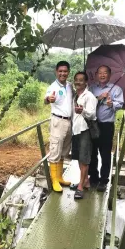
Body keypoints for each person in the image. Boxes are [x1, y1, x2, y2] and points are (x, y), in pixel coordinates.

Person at [89, 65, 124, 192]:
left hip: (106, 125)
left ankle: (104, 180)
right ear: (97, 74)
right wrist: (99, 98)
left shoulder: (116, 89)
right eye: (100, 73)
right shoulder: (92, 88)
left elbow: (120, 104)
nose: (102, 75)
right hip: (92, 124)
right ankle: (93, 177)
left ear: (109, 75)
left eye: (105, 73)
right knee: (92, 152)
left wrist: (112, 103)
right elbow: (87, 102)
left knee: (105, 153)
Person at [44, 61, 73, 192]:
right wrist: (48, 99)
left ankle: (60, 177)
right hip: (58, 121)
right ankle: (54, 180)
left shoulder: (69, 86)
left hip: (69, 122)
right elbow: (46, 98)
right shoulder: (53, 87)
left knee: (64, 151)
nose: (63, 73)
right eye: (60, 71)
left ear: (68, 72)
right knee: (55, 150)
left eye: (65, 71)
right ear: (56, 72)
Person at [71, 71, 97, 199]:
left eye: (81, 80)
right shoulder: (75, 96)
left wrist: (83, 111)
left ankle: (80, 187)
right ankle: (85, 181)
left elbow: (92, 114)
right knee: (79, 157)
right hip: (76, 129)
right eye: (76, 79)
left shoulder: (89, 96)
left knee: (85, 158)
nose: (78, 82)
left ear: (86, 82)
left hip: (85, 130)